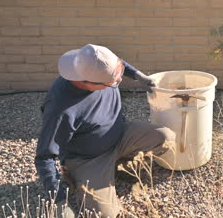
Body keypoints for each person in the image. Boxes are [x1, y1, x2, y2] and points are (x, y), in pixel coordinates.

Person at [35, 44, 176, 217]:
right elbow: (44, 156)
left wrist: (138, 76)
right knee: (104, 215)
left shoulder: (93, 63)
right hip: (88, 159)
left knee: (166, 137)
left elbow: (117, 64)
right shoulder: (60, 110)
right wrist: (59, 201)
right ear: (87, 82)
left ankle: (119, 166)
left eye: (119, 73)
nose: (119, 79)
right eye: (113, 82)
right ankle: (74, 177)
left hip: (119, 135)